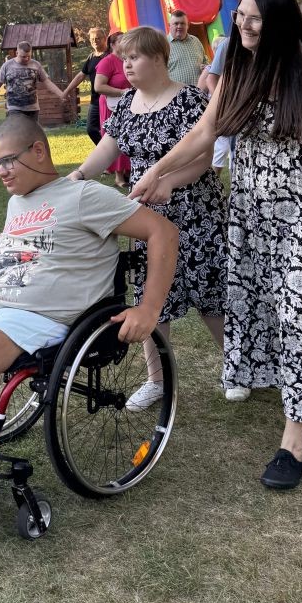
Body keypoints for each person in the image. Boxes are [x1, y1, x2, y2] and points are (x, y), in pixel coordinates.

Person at [132, 0, 302, 491]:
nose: (243, 25)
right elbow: (204, 132)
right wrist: (157, 171)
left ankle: (293, 445)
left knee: (299, 316)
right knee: (281, 316)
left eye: (255, 18)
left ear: (279, 23)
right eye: (240, 16)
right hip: (256, 219)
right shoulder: (238, 69)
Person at [0, 113, 179, 497]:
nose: (0, 171)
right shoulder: (17, 201)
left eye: (8, 160)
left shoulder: (83, 196)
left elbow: (163, 232)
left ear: (38, 151)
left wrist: (149, 309)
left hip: (45, 311)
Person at [70, 26, 227, 409]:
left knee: (211, 294)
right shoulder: (126, 103)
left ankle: (238, 366)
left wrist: (169, 181)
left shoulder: (190, 99)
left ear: (158, 58)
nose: (126, 65)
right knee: (152, 297)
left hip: (197, 213)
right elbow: (108, 149)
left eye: (134, 57)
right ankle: (156, 381)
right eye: (124, 58)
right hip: (148, 219)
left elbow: (205, 158)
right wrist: (78, 176)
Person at [0, 42, 67, 116]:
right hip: (14, 108)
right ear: (17, 53)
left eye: (29, 56)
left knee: (32, 129)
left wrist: (61, 95)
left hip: (33, 109)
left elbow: (47, 82)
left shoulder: (36, 65)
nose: (26, 59)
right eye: (23, 57)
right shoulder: (7, 66)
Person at [94, 32, 131, 187]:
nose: (126, 43)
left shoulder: (128, 59)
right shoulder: (107, 61)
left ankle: (128, 171)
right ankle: (118, 176)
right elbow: (98, 86)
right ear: (113, 44)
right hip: (111, 105)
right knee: (115, 138)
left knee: (128, 136)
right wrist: (122, 92)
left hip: (127, 104)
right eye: (122, 41)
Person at [62, 26, 108, 144]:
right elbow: (80, 76)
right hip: (95, 101)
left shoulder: (110, 56)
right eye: (92, 39)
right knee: (91, 129)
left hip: (109, 100)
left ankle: (111, 152)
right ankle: (105, 151)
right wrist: (66, 91)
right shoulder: (91, 57)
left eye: (98, 38)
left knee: (108, 130)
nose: (95, 41)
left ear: (105, 38)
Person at [198, 35, 232, 175]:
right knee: (222, 146)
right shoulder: (210, 69)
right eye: (218, 49)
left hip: (231, 109)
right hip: (218, 111)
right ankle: (214, 174)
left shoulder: (231, 67)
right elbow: (200, 91)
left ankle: (232, 173)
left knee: (229, 146)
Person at [166, 10, 207, 85]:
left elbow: (205, 61)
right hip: (177, 91)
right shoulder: (163, 44)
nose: (179, 26)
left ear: (187, 25)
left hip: (200, 90)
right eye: (176, 23)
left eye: (182, 23)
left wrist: (206, 67)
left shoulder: (195, 40)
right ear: (169, 26)